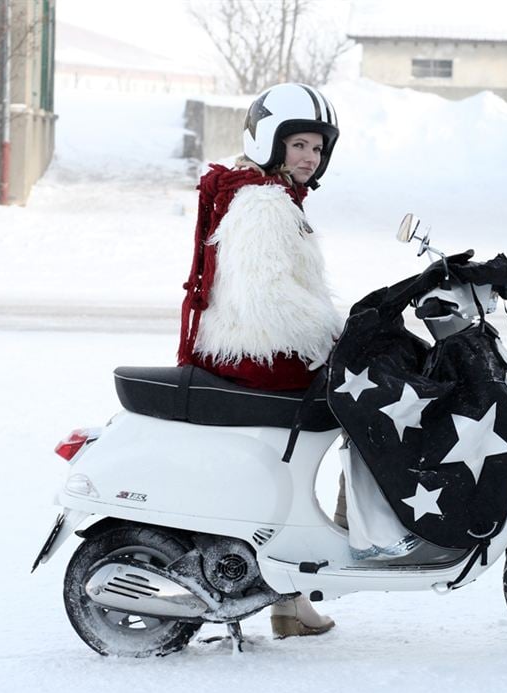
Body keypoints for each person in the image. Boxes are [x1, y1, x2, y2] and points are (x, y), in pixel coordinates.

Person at [177, 82, 341, 638]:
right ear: (270, 142)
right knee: (367, 407)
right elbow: (267, 297)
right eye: (298, 144)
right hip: (262, 353)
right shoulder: (264, 203)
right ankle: (315, 575)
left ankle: (289, 601)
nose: (309, 157)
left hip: (262, 348)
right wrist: (336, 337)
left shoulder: (270, 194)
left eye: (317, 149)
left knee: (296, 465)